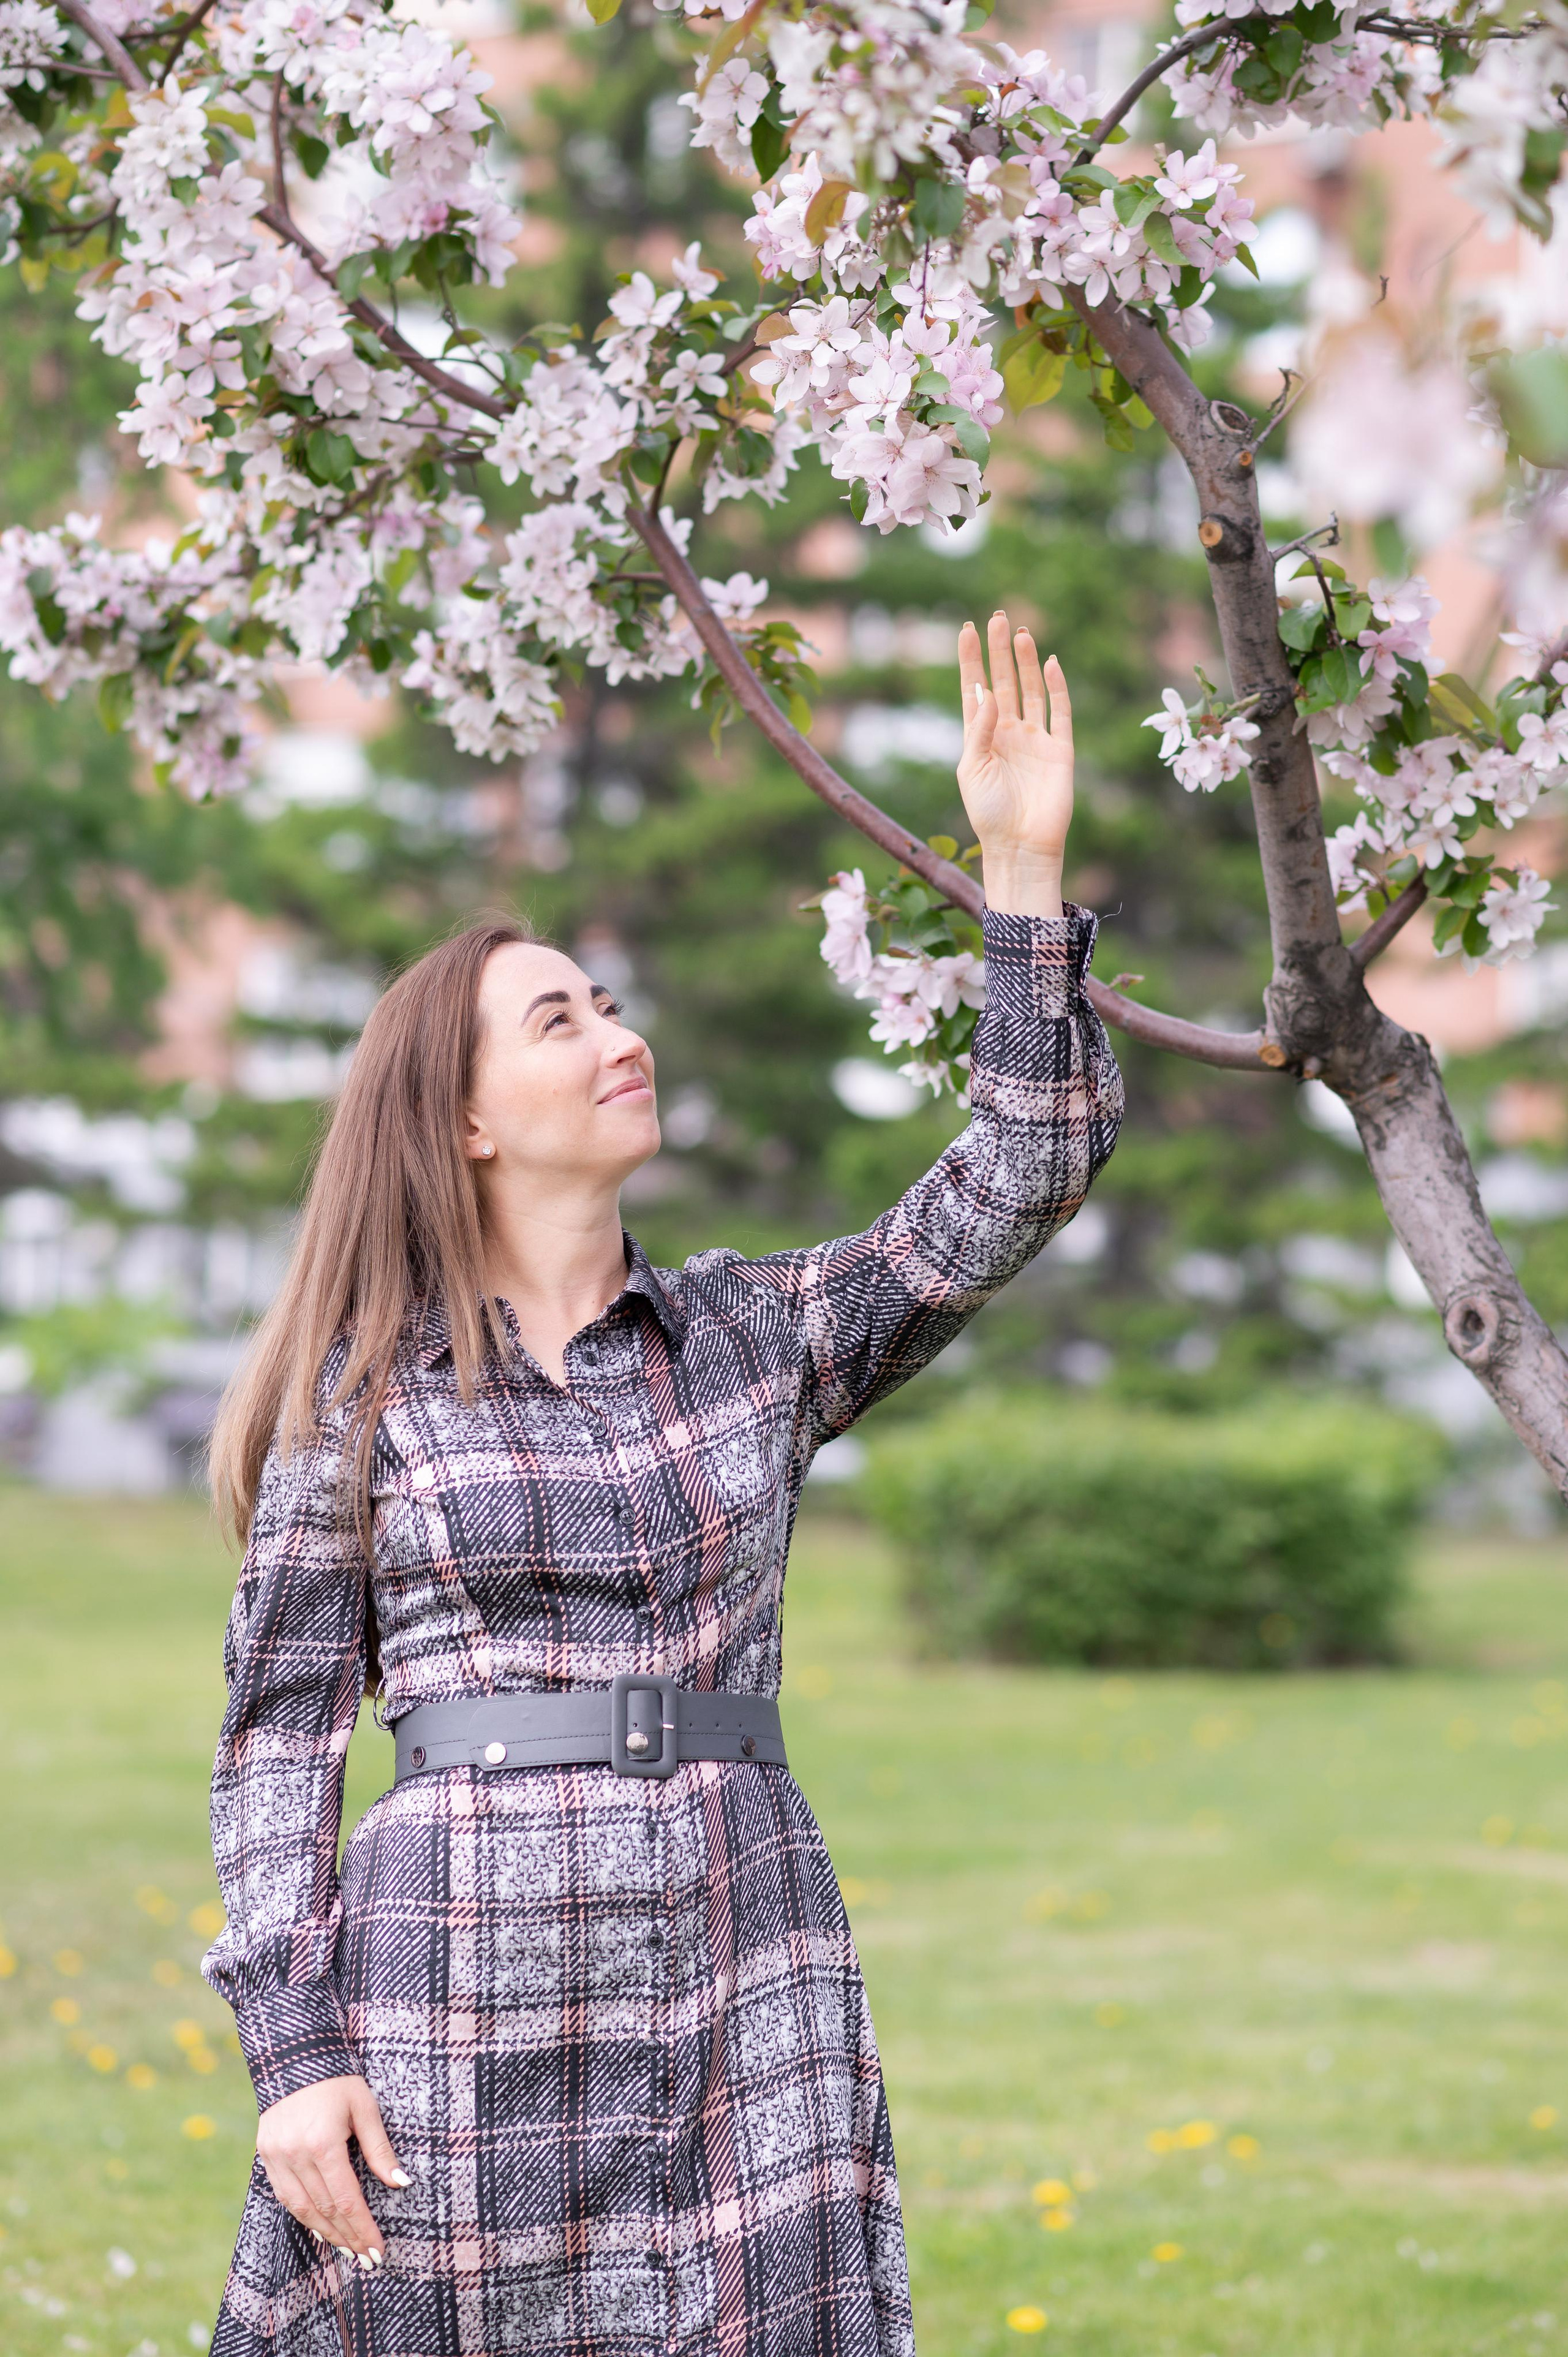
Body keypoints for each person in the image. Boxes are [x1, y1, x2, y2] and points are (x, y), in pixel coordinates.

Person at [200, 612, 1124, 2357]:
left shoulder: (756, 1333)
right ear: (466, 1118)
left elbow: (1023, 1169)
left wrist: (1019, 878)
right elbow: (276, 1744)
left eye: (611, 1003)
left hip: (736, 1947)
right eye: (559, 1019)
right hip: (456, 1984)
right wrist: (296, 2056)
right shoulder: (362, 1402)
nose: (616, 1034)